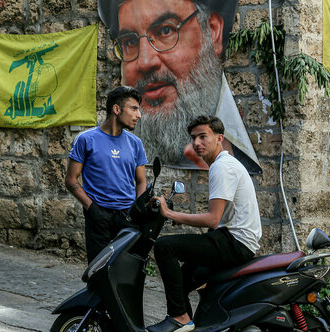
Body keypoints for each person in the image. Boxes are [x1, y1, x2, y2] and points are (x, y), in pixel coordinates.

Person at [98, 0, 261, 173]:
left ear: (212, 31)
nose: (145, 62)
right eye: (130, 41)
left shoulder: (229, 164)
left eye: (165, 30)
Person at [148, 115, 261, 332]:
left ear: (219, 138)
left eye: (203, 137)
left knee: (165, 246)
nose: (197, 143)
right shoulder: (223, 164)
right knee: (182, 278)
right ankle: (188, 325)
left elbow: (213, 219)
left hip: (236, 242)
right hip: (232, 239)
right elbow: (218, 221)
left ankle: (179, 317)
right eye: (193, 138)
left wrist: (170, 213)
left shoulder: (222, 167)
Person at [65, 86, 148, 263]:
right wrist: (92, 208)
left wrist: (138, 211)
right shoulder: (86, 139)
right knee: (98, 272)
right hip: (98, 216)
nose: (138, 115)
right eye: (134, 109)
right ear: (116, 109)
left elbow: (141, 181)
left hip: (127, 217)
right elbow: (71, 180)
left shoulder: (135, 143)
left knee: (126, 270)